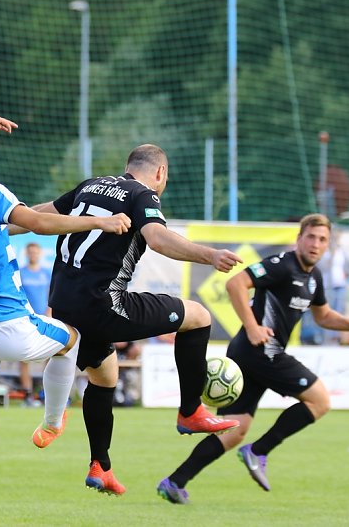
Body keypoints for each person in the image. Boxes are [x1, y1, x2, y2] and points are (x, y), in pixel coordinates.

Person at [0, 115, 130, 527]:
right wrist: (100, 221)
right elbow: (38, 222)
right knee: (72, 338)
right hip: (10, 326)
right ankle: (52, 421)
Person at [28, 143, 243, 497]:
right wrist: (210, 256)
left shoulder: (91, 184)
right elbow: (157, 239)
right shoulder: (142, 195)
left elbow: (36, 216)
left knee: (104, 375)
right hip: (104, 305)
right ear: (160, 172)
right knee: (198, 316)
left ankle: (101, 467)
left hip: (64, 304)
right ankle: (191, 411)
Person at [159, 214, 349, 504]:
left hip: (252, 355)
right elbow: (236, 283)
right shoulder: (282, 265)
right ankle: (258, 451)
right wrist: (252, 327)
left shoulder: (314, 278)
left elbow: (323, 316)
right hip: (261, 352)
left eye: (322, 239)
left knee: (234, 430)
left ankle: (175, 482)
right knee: (320, 401)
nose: (315, 244)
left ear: (327, 245)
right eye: (311, 237)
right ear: (299, 239)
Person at [17, 241, 51, 405]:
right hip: (26, 319)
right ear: (26, 254)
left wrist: (49, 313)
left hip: (44, 318)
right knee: (24, 356)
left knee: (49, 355)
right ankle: (28, 394)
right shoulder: (21, 272)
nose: (33, 254)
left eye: (35, 252)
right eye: (30, 252)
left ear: (39, 254)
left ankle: (46, 392)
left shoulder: (47, 273)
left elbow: (52, 294)